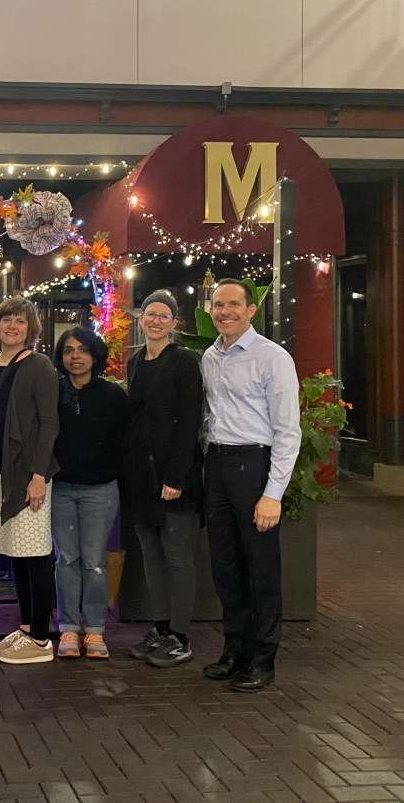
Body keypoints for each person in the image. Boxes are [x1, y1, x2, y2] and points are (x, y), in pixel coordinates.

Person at [201, 278, 301, 693]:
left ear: (251, 310)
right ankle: (235, 650)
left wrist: (272, 493)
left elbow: (288, 431)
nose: (225, 311)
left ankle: (263, 658)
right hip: (218, 465)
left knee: (261, 569)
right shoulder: (209, 356)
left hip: (253, 465)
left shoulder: (272, 358)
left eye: (233, 304)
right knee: (226, 568)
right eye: (218, 305)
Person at [123, 291, 205, 668]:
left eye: (164, 315)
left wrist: (177, 476)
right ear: (141, 318)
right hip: (141, 476)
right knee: (151, 556)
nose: (156, 320)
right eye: (150, 314)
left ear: (174, 322)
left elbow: (190, 424)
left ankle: (181, 636)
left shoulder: (186, 363)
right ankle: (159, 628)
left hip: (174, 477)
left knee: (177, 557)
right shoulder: (135, 361)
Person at [0, 297, 60, 665]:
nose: (12, 326)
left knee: (36, 555)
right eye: (6, 319)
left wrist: (38, 475)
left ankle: (42, 640)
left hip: (28, 475)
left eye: (20, 322)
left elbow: (49, 424)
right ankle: (27, 627)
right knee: (16, 553)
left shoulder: (39, 366)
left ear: (31, 330)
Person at [50, 327, 129, 661]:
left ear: (95, 356)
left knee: (94, 562)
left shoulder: (114, 398)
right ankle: (69, 626)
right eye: (68, 351)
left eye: (82, 350)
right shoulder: (53, 392)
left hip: (101, 490)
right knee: (66, 560)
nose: (75, 357)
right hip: (61, 490)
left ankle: (95, 630)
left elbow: (125, 445)